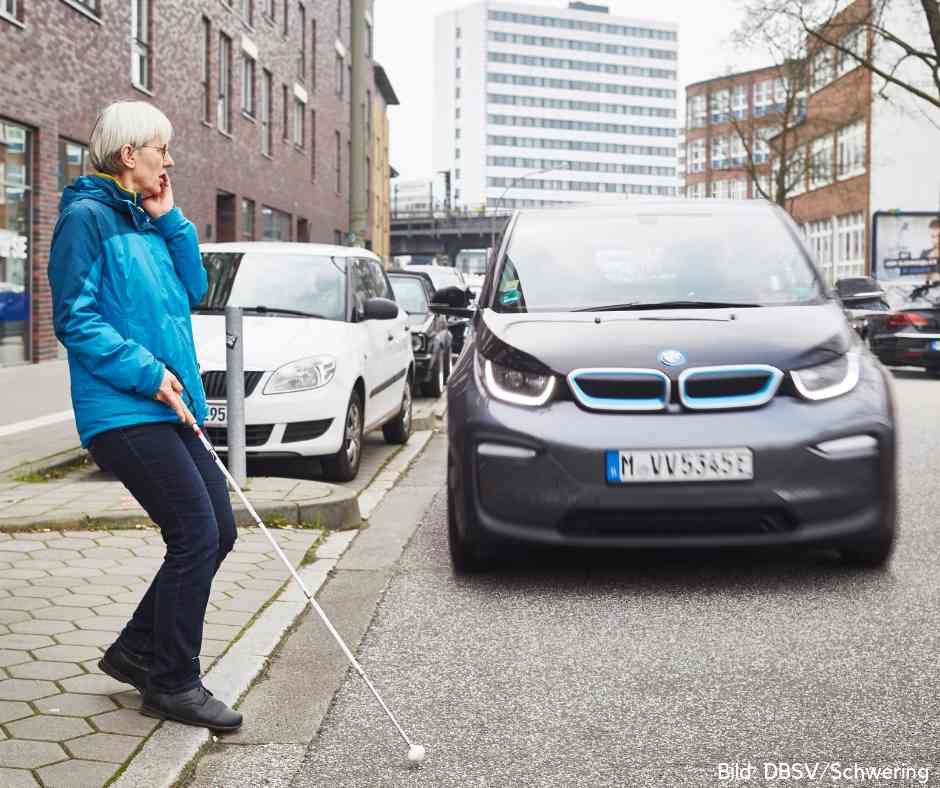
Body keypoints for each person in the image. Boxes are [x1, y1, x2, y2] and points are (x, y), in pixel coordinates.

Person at [48, 100, 241, 732]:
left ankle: (138, 649)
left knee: (220, 528)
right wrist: (143, 370)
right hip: (122, 408)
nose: (171, 158)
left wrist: (172, 219)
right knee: (194, 533)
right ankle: (173, 683)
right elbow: (75, 320)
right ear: (130, 155)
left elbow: (195, 289)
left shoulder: (147, 219)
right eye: (162, 147)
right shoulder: (85, 219)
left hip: (169, 405)